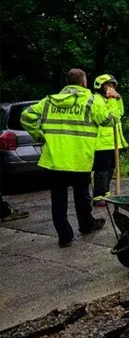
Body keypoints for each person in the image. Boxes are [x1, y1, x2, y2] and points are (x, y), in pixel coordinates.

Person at [21, 68, 113, 247]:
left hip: (55, 160)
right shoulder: (92, 101)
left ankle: (64, 236)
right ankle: (86, 225)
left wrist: (39, 135)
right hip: (79, 157)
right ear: (84, 83)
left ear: (66, 83)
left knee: (58, 199)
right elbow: (109, 120)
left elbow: (26, 116)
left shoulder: (49, 101)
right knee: (82, 194)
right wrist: (111, 100)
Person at [91, 74, 128, 207]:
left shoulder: (109, 99)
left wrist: (118, 98)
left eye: (113, 85)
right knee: (101, 169)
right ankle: (98, 196)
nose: (111, 87)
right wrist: (112, 99)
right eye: (108, 85)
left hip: (112, 141)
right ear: (100, 86)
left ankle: (106, 193)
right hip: (101, 142)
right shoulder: (96, 100)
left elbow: (119, 113)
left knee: (111, 167)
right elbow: (108, 119)